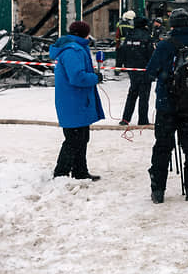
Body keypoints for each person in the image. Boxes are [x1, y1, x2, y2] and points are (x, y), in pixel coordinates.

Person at [145, 8, 188, 204]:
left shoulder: (165, 45)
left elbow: (151, 71)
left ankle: (158, 190)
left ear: (171, 25)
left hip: (167, 105)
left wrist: (166, 77)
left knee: (163, 146)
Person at [49, 20, 105, 181]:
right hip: (74, 101)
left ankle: (80, 171)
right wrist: (95, 77)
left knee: (81, 137)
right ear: (83, 34)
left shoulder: (74, 48)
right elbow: (77, 77)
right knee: (74, 139)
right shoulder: (73, 50)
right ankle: (61, 173)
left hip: (75, 101)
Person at [119, 17, 154, 126]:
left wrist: (121, 65)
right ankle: (143, 120)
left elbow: (122, 50)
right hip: (144, 69)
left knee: (132, 93)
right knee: (144, 96)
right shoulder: (147, 36)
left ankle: (125, 119)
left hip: (132, 69)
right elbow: (151, 54)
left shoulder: (129, 35)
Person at [115, 10, 136, 75]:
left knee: (119, 58)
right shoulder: (133, 25)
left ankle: (117, 71)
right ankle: (128, 69)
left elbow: (117, 35)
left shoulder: (120, 25)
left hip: (122, 44)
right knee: (129, 57)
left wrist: (117, 44)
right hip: (130, 44)